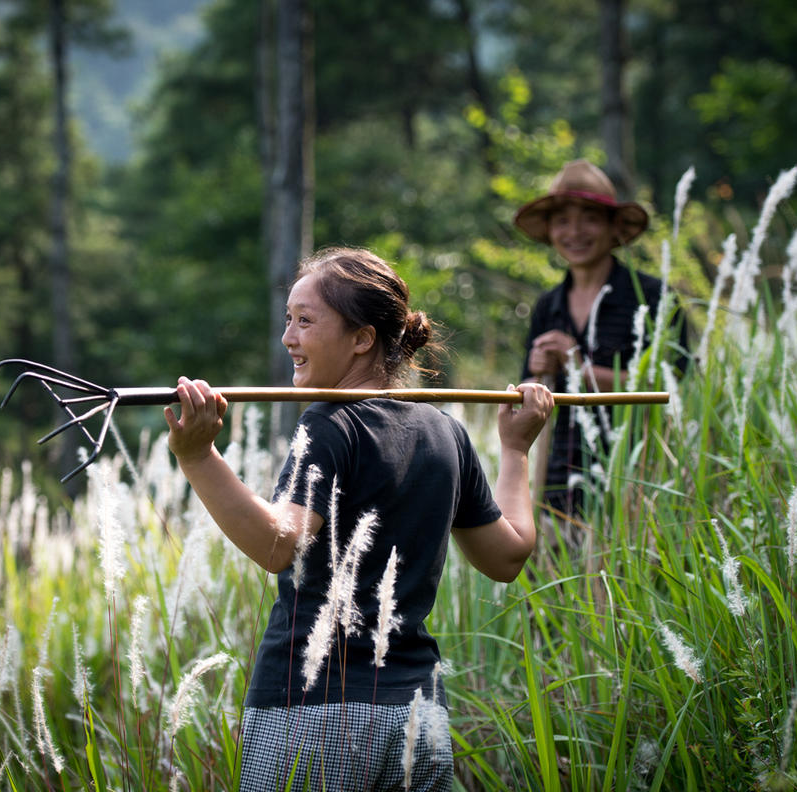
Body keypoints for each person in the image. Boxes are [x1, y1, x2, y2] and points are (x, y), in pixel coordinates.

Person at [164, 246, 553, 791]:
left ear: (362, 338)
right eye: (288, 319)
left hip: (312, 715)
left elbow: (280, 545)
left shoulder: (329, 425)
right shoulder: (447, 433)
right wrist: (516, 450)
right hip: (418, 716)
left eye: (305, 321)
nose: (288, 338)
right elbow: (508, 556)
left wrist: (198, 457)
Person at [514, 159, 677, 521]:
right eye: (562, 220)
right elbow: (527, 397)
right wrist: (534, 379)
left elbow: (673, 390)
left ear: (612, 227)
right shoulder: (547, 307)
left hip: (637, 486)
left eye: (589, 218)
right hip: (558, 487)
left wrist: (577, 366)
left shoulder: (652, 298)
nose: (575, 232)